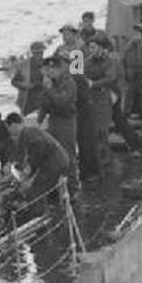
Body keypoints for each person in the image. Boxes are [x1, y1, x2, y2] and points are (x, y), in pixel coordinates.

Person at [6, 112, 71, 208]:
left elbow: (38, 150)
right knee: (45, 187)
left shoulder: (29, 133)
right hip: (59, 160)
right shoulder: (29, 133)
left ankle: (38, 214)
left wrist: (30, 171)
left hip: (54, 163)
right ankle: (54, 207)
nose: (9, 131)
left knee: (36, 190)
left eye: (8, 127)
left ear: (14, 125)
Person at [36, 55, 79, 193]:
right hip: (53, 120)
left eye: (52, 69)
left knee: (68, 153)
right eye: (47, 69)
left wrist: (49, 89)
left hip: (66, 121)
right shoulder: (49, 83)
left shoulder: (69, 83)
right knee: (53, 153)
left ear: (60, 69)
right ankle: (56, 187)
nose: (49, 72)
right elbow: (44, 103)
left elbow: (62, 102)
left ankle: (73, 187)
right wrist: (39, 121)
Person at [83, 37, 116, 171]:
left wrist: (94, 83)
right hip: (91, 98)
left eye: (94, 47)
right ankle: (97, 160)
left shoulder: (109, 61)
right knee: (94, 130)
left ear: (101, 48)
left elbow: (111, 78)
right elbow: (79, 74)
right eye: (90, 47)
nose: (91, 50)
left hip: (103, 97)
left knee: (103, 129)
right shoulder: (87, 61)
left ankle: (106, 159)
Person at [11, 40, 46, 114]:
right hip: (27, 101)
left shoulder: (48, 65)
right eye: (36, 53)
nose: (39, 55)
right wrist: (23, 85)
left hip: (44, 100)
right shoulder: (24, 65)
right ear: (32, 53)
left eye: (40, 52)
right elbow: (14, 81)